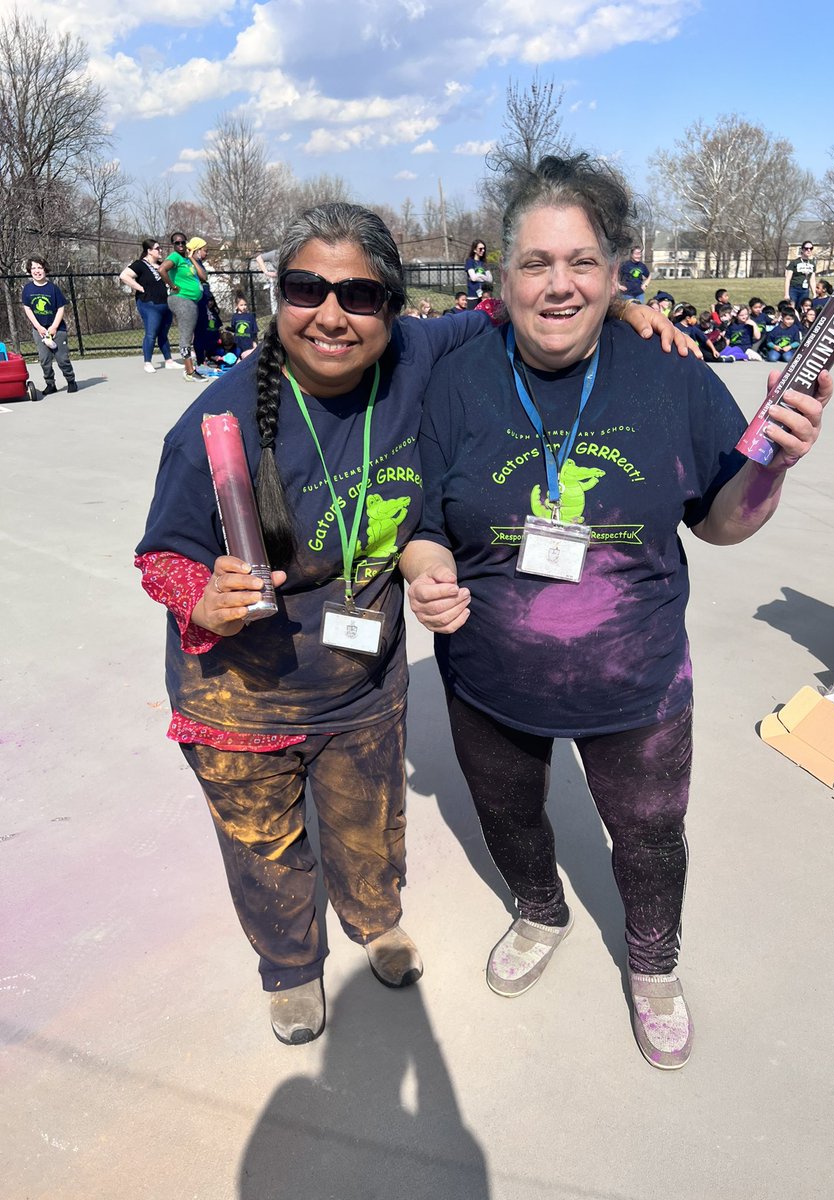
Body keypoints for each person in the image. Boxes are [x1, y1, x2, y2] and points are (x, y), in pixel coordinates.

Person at [135, 200, 690, 1048]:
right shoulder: (216, 422)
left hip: (360, 678)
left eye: (358, 294)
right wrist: (197, 596)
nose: (330, 314)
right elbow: (160, 555)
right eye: (304, 288)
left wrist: (618, 306)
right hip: (242, 699)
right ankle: (288, 967)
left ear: (392, 311)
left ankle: (374, 923)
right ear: (274, 298)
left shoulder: (415, 355)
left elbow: (522, 301)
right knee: (265, 845)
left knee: (369, 821)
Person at [400, 153, 830, 1071]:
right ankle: (540, 908)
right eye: (537, 263)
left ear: (616, 271)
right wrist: (424, 566)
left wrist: (773, 466)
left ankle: (652, 963)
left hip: (638, 685)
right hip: (486, 677)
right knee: (508, 813)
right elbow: (424, 518)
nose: (560, 285)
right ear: (503, 275)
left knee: (646, 834)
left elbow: (721, 525)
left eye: (583, 262)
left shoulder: (669, 374)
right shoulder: (457, 378)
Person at [20, 256, 78, 396]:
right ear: (29, 271)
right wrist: (38, 327)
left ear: (45, 270)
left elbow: (60, 308)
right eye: (33, 268)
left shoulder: (53, 288)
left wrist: (54, 327)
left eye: (39, 268)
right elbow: (28, 309)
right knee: (45, 359)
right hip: (39, 330)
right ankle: (50, 384)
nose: (37, 271)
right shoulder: (27, 289)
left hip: (57, 330)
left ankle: (71, 381)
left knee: (62, 358)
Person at [119, 239, 179, 373]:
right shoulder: (140, 265)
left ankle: (168, 360)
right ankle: (147, 362)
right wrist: (140, 288)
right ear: (149, 251)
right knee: (151, 333)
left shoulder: (161, 265)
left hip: (165, 303)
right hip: (149, 304)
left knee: (163, 333)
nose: (160, 251)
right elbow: (124, 276)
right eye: (157, 248)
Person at [159, 232, 208, 382]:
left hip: (190, 301)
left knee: (188, 335)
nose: (180, 245)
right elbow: (162, 269)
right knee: (186, 336)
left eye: (182, 243)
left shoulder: (186, 260)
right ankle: (189, 372)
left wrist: (192, 257)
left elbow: (203, 276)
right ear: (173, 245)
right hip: (181, 300)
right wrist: (172, 285)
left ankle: (190, 369)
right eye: (177, 243)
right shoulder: (174, 257)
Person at [784, 241, 817, 308]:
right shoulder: (794, 263)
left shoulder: (812, 264)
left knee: (802, 308)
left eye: (811, 248)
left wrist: (814, 294)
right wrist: (786, 294)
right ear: (802, 249)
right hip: (794, 289)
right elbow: (788, 279)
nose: (808, 250)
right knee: (791, 307)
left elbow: (812, 280)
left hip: (805, 290)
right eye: (806, 248)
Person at [465, 239, 493, 307]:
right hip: (473, 296)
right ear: (474, 250)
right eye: (480, 249)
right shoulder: (470, 261)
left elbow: (490, 279)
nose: (483, 250)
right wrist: (483, 276)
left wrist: (479, 275)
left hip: (484, 296)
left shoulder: (484, 263)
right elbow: (473, 278)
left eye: (484, 249)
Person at [230, 294, 259, 359]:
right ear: (237, 306)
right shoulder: (235, 316)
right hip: (238, 343)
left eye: (245, 305)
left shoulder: (250, 316)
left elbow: (254, 330)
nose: (244, 307)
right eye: (241, 305)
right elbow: (233, 328)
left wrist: (254, 342)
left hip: (248, 344)